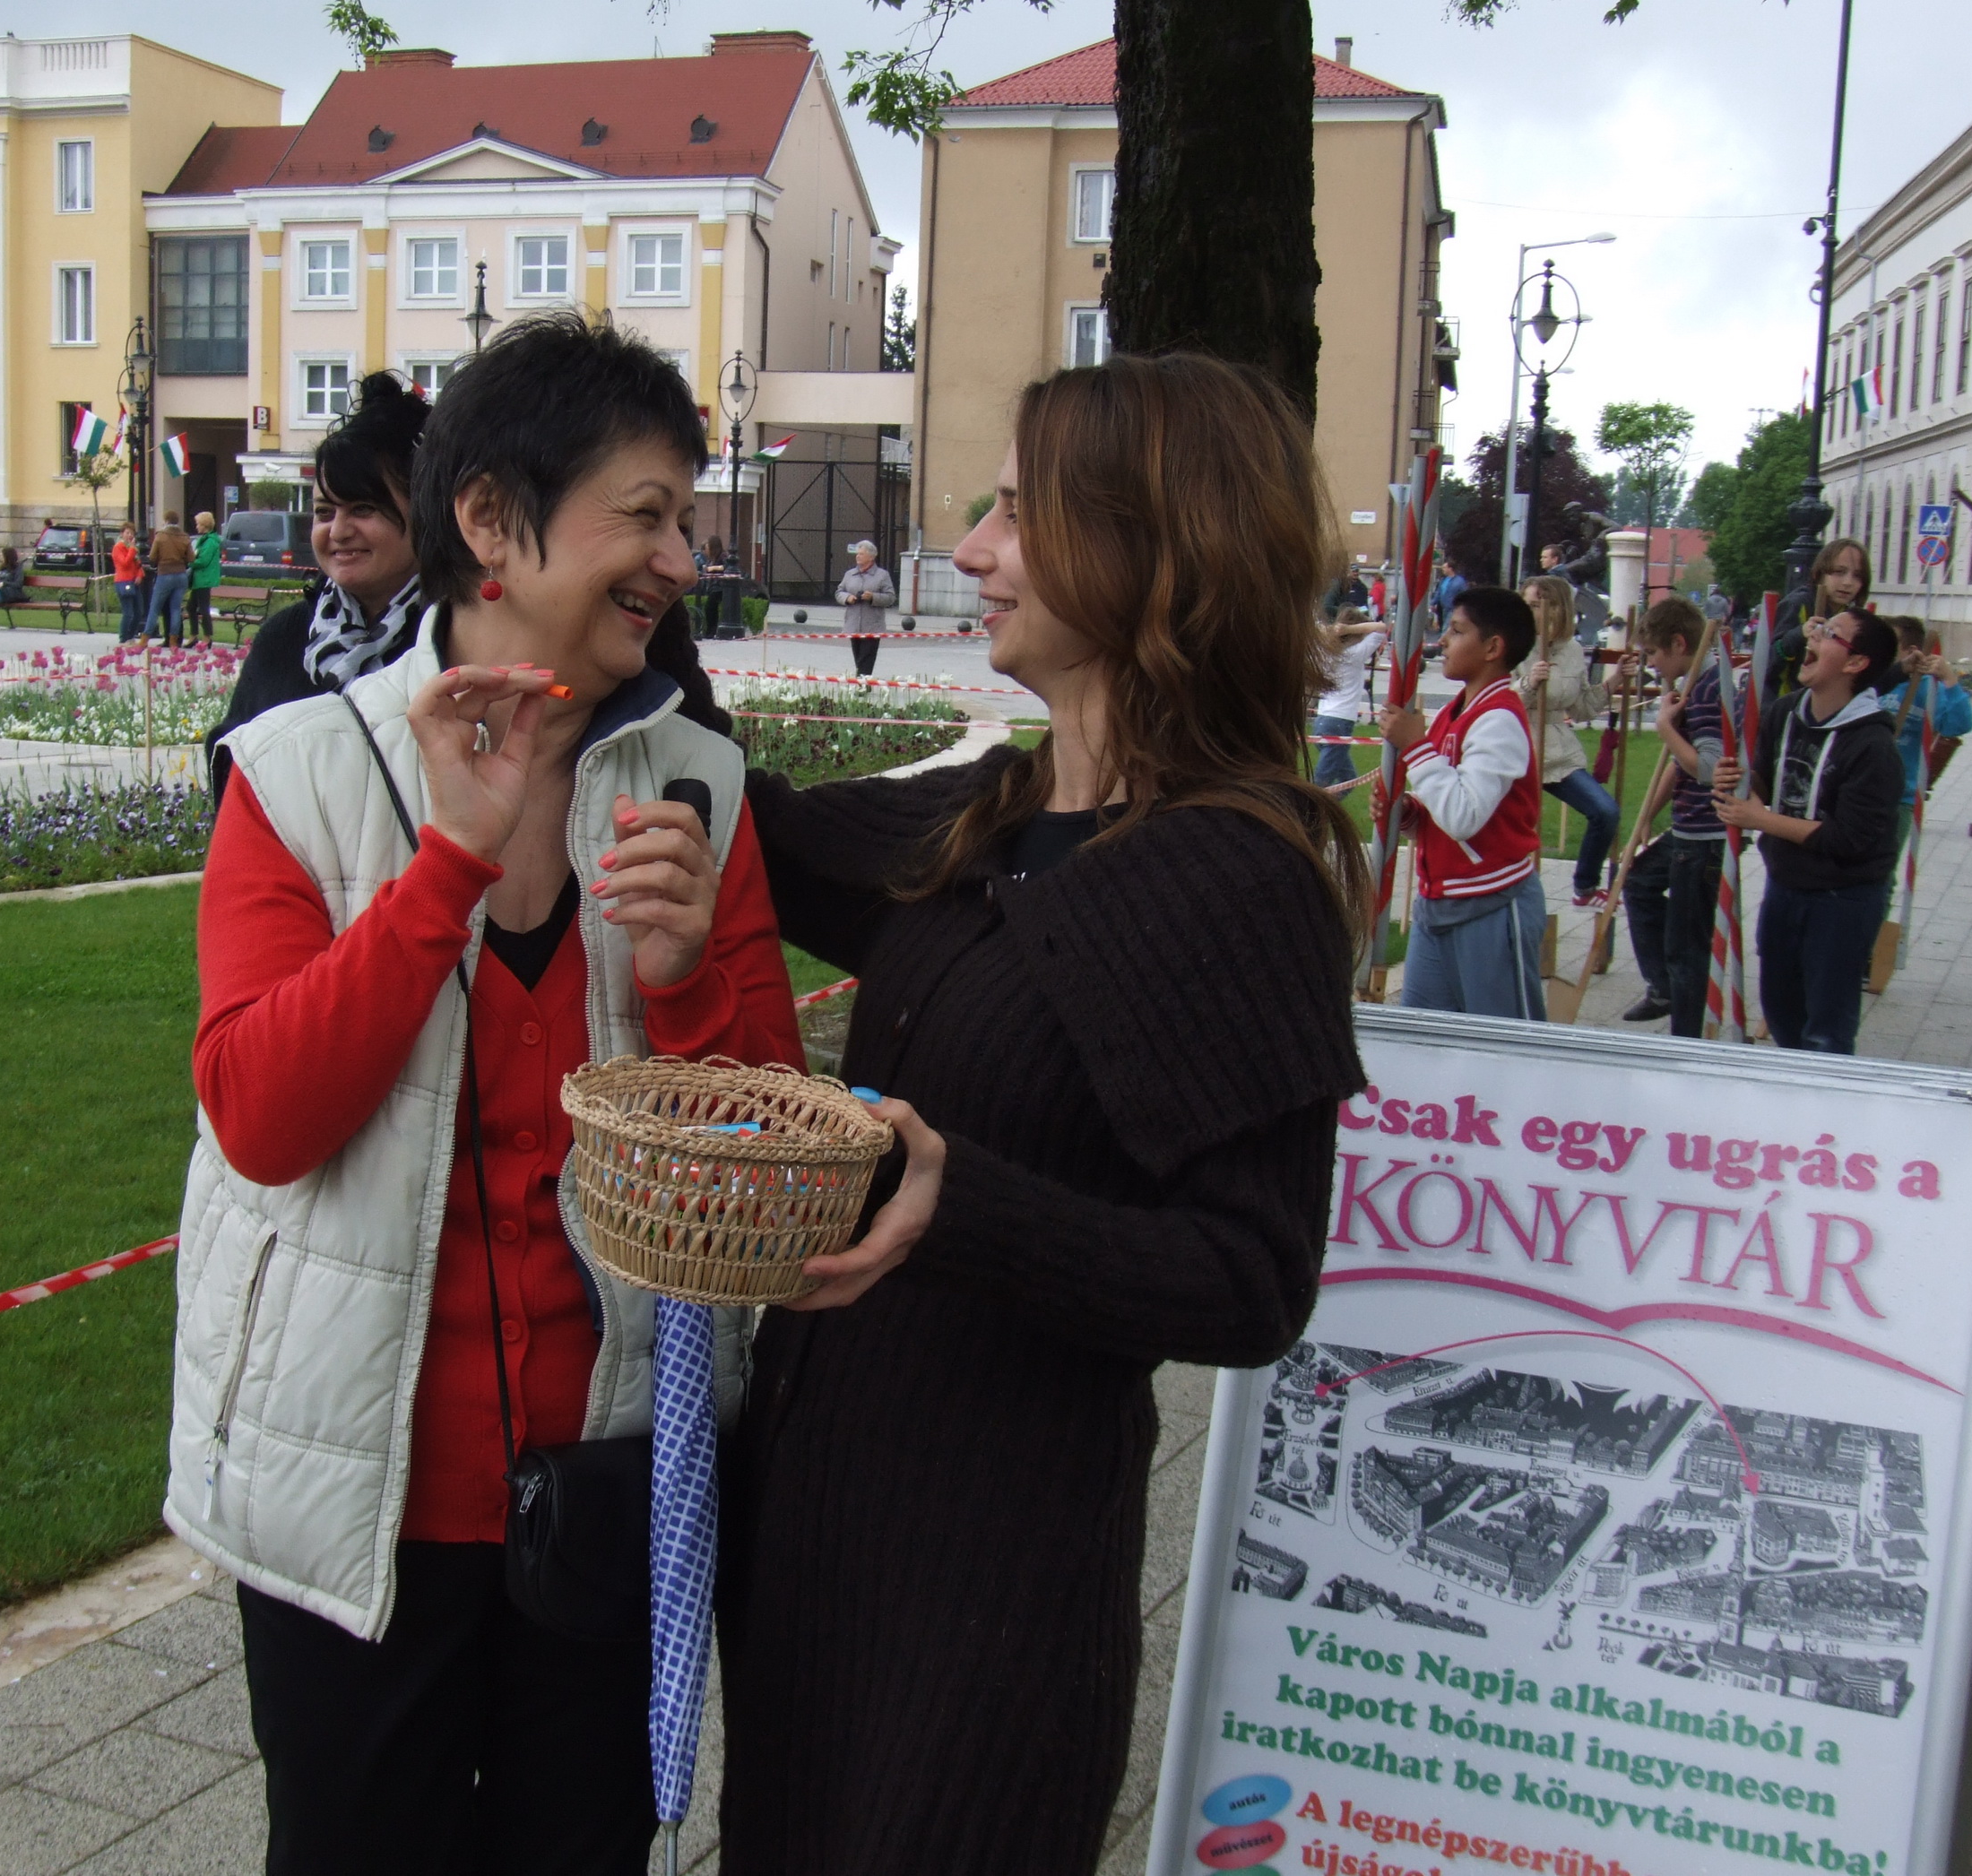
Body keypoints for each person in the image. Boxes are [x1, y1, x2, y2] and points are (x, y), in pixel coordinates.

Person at [174, 313, 802, 1874]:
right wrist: (448, 863)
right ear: (491, 523)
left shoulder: (696, 791)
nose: (680, 561)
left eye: (686, 519)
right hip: (355, 1501)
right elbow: (261, 1114)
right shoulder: (299, 773)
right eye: (646, 515)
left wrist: (683, 982)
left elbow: (762, 1186)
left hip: (606, 1483)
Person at [722, 352, 1367, 1873]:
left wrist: (959, 1205)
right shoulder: (991, 817)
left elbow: (1252, 1278)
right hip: (815, 1532)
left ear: (1152, 544)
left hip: (989, 1579)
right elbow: (760, 830)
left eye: (1016, 511)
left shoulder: (1236, 877)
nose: (972, 549)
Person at [206, 373, 433, 805]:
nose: (338, 531)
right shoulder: (285, 639)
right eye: (325, 512)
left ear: (426, 511)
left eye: (363, 509)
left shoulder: (454, 638)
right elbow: (236, 786)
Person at [1715, 607, 1902, 1054]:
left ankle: (1824, 1096)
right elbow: (1766, 780)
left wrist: (1759, 819)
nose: (1812, 637)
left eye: (1829, 633)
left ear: (1856, 663)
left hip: (1843, 897)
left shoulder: (1873, 746)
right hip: (1786, 883)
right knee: (1781, 1010)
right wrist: (1739, 783)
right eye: (1817, 629)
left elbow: (1848, 839)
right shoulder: (1784, 712)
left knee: (1826, 1029)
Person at [1380, 584, 1547, 1019]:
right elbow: (1444, 807)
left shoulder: (1500, 720)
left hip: (1491, 902)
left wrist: (1416, 748)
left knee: (1500, 1041)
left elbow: (1464, 816)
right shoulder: (1453, 714)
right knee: (1424, 1036)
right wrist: (1410, 814)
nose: (1443, 641)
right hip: (1437, 905)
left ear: (1493, 647)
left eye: (1456, 631)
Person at [1616, 597, 1724, 1032]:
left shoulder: (1710, 692)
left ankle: (1685, 1038)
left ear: (1679, 644)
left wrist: (1664, 728)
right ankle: (1663, 988)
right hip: (1688, 827)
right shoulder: (1694, 686)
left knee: (1686, 947)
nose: (1652, 664)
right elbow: (1680, 762)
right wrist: (1647, 815)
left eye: (1653, 654)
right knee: (1638, 880)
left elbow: (1709, 769)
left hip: (1706, 834)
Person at [1519, 574, 1619, 905]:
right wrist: (1529, 684)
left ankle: (1585, 887)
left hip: (1559, 752)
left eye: (1536, 605)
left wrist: (1616, 681)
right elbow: (1496, 700)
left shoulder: (1573, 650)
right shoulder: (1511, 643)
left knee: (1605, 812)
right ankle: (1505, 893)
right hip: (1518, 749)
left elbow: (1581, 708)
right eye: (1527, 604)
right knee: (1512, 830)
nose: (1529, 611)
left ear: (1557, 609)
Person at [1874, 617, 1972, 912]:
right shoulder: (1872, 679)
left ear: (1910, 652)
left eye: (1888, 645)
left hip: (1899, 795)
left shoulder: (1926, 688)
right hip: (1858, 786)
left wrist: (1949, 680)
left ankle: (1872, 931)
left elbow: (1959, 724)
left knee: (1882, 873)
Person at [1767, 537, 1871, 700]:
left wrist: (1901, 669)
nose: (1848, 582)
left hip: (1823, 704)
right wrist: (1799, 634)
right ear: (1820, 574)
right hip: (1784, 704)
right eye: (1839, 572)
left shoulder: (1849, 615)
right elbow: (1767, 662)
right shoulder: (1798, 604)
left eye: (1857, 576)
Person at [1311, 605, 1384, 791]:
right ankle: (1308, 808)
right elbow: (1381, 628)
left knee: (1348, 780)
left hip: (1322, 721)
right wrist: (1349, 629)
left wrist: (1337, 629)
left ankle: (1327, 808)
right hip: (1340, 721)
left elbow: (1317, 629)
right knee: (1320, 785)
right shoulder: (1355, 654)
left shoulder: (1327, 652)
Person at [836, 537, 894, 676]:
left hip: (872, 626)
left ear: (871, 557)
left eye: (861, 554)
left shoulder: (882, 575)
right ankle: (863, 682)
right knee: (858, 658)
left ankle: (861, 683)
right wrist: (847, 598)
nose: (858, 556)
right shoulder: (850, 574)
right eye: (857, 553)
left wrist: (873, 597)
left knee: (866, 659)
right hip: (853, 624)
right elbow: (839, 592)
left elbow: (890, 598)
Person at [145, 510, 191, 646]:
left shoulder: (160, 536)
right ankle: (173, 640)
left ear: (166, 521)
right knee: (175, 609)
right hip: (181, 575)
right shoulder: (184, 537)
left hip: (165, 573)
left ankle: (145, 638)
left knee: (154, 608)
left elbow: (152, 557)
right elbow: (191, 558)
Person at [188, 509, 223, 644]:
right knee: (191, 607)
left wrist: (189, 562)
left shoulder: (210, 542)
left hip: (205, 579)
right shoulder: (203, 540)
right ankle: (194, 634)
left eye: (198, 524)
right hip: (199, 579)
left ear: (205, 525)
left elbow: (203, 561)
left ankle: (207, 636)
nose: (196, 526)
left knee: (203, 608)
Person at [111, 523, 144, 642]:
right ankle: (124, 637)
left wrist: (140, 575)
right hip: (123, 581)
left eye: (132, 533)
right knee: (128, 612)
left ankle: (131, 635)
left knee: (139, 611)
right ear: (122, 534)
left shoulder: (133, 549)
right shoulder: (118, 548)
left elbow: (138, 565)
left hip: (134, 582)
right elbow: (125, 563)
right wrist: (131, 549)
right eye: (127, 533)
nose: (130, 535)